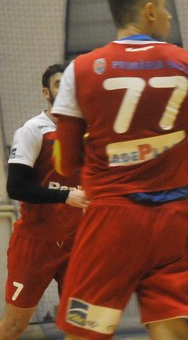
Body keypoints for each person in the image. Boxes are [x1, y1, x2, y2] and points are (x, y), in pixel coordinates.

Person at [51, 0, 188, 340]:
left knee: (86, 333)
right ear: (149, 11)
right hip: (171, 221)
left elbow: (64, 163)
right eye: (164, 7)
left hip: (111, 220)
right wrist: (175, 158)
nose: (168, 15)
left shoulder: (80, 69)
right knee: (171, 329)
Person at [0, 64, 90, 340]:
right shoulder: (33, 130)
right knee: (14, 327)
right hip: (35, 244)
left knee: (80, 326)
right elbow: (16, 187)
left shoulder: (89, 132)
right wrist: (65, 196)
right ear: (46, 92)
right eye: (59, 83)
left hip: (76, 243)